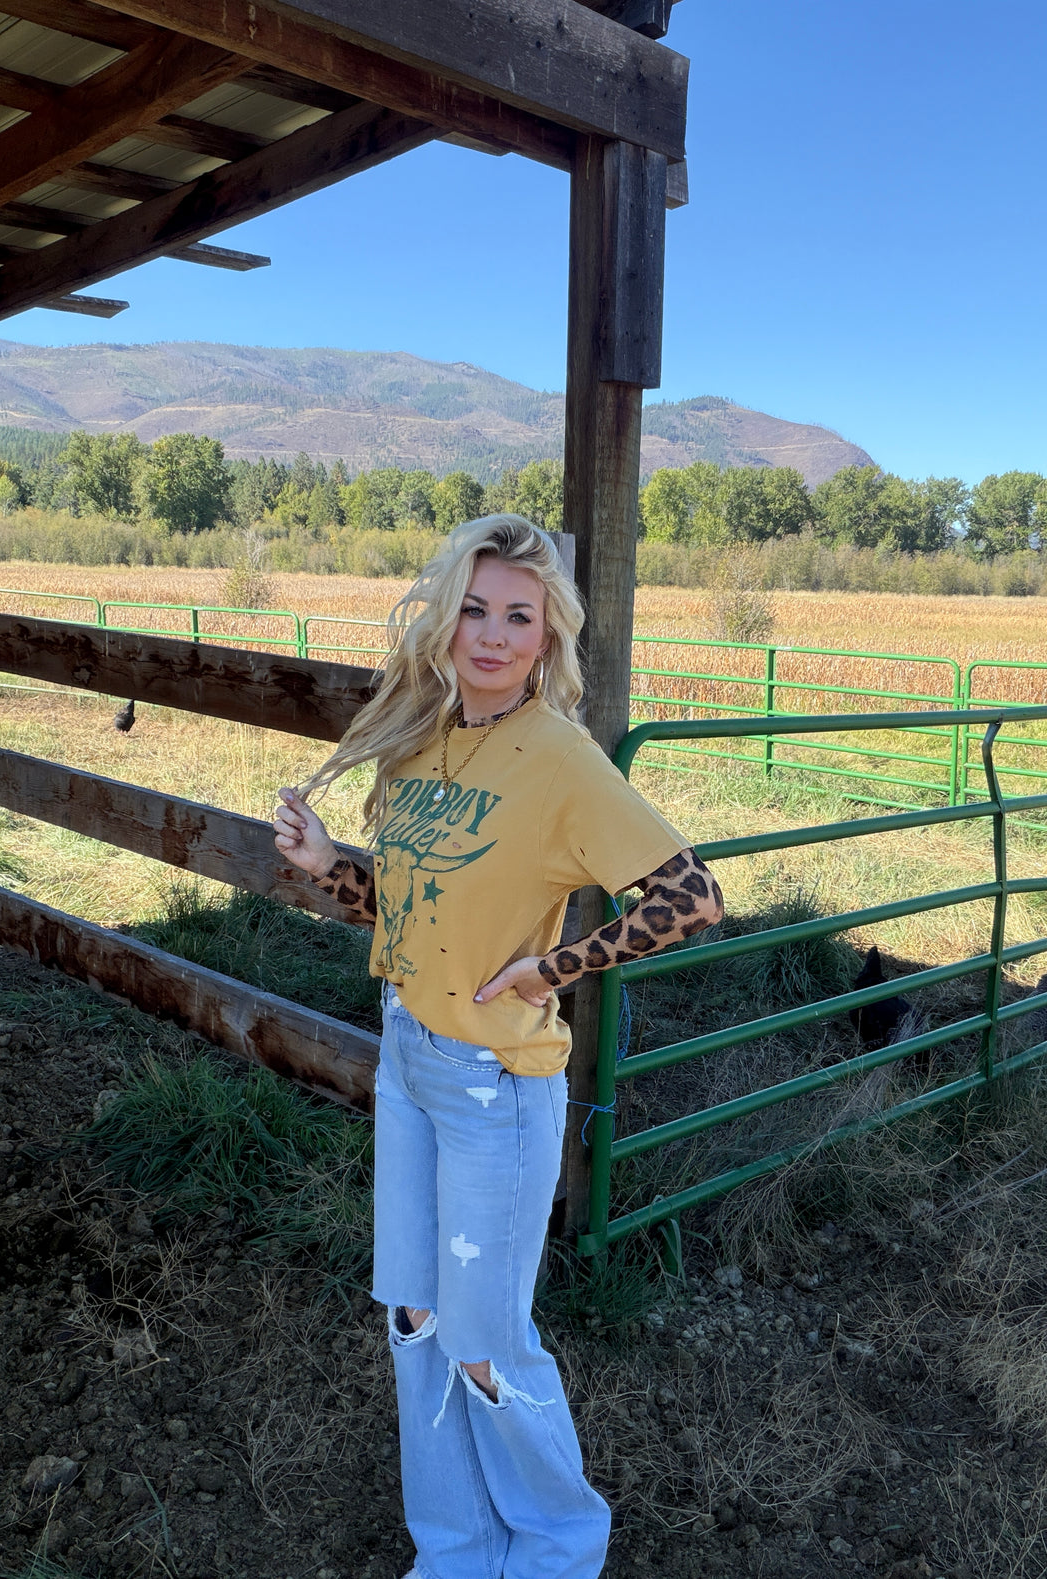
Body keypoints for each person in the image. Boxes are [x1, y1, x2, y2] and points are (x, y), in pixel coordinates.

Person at [273, 515, 724, 1579]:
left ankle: (560, 1549)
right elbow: (408, 905)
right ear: (445, 621)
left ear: (546, 637)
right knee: (416, 1319)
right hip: (408, 1060)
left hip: (493, 1088)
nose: (490, 633)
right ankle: (458, 1548)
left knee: (485, 1345)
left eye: (517, 615)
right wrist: (330, 863)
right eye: (473, 608)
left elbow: (691, 896)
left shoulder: (562, 759)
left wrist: (551, 970)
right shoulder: (425, 742)